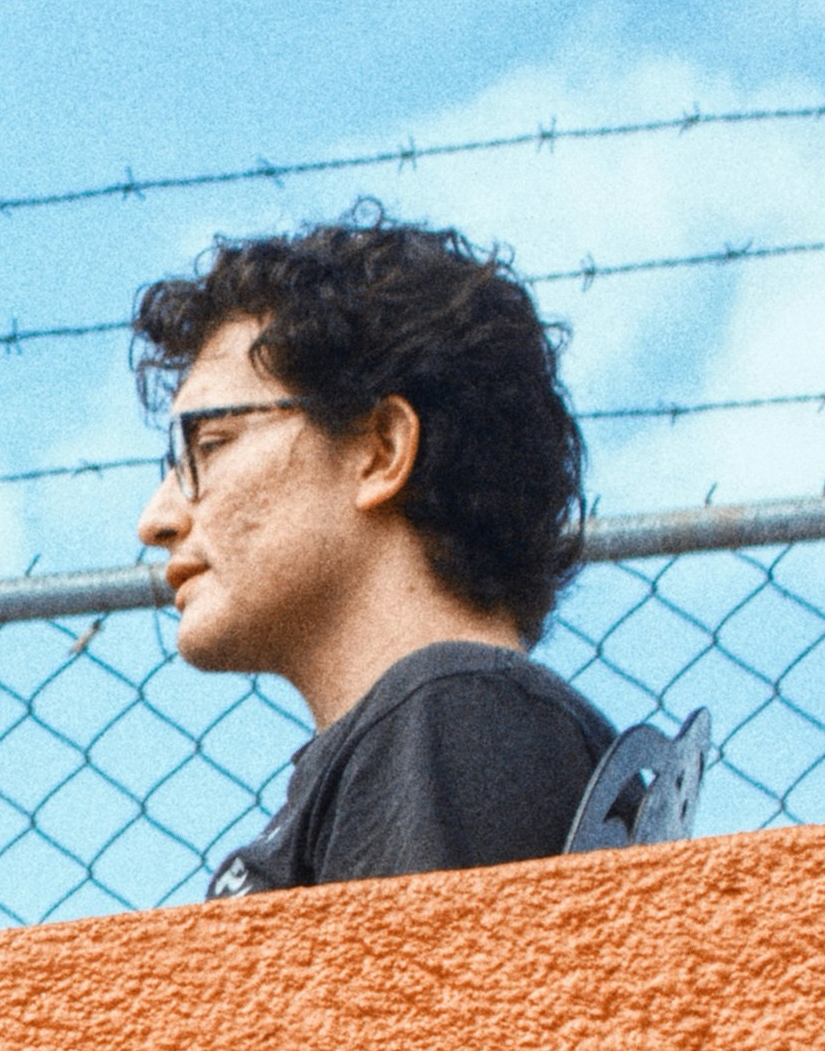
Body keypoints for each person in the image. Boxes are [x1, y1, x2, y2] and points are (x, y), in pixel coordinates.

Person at [132, 213, 612, 896]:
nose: (156, 520)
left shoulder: (457, 715)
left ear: (381, 451)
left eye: (210, 446)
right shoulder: (434, 730)